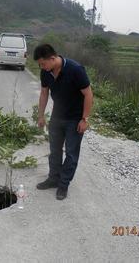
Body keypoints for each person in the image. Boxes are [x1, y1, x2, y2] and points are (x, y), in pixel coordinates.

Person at [34, 44, 93, 200]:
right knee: (55, 150)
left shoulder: (75, 69)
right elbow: (44, 93)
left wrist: (85, 119)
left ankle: (63, 184)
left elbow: (88, 94)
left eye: (43, 63)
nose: (42, 67)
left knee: (71, 154)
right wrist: (41, 116)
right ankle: (53, 179)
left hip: (75, 119)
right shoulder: (45, 72)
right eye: (40, 64)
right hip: (57, 117)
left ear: (53, 58)